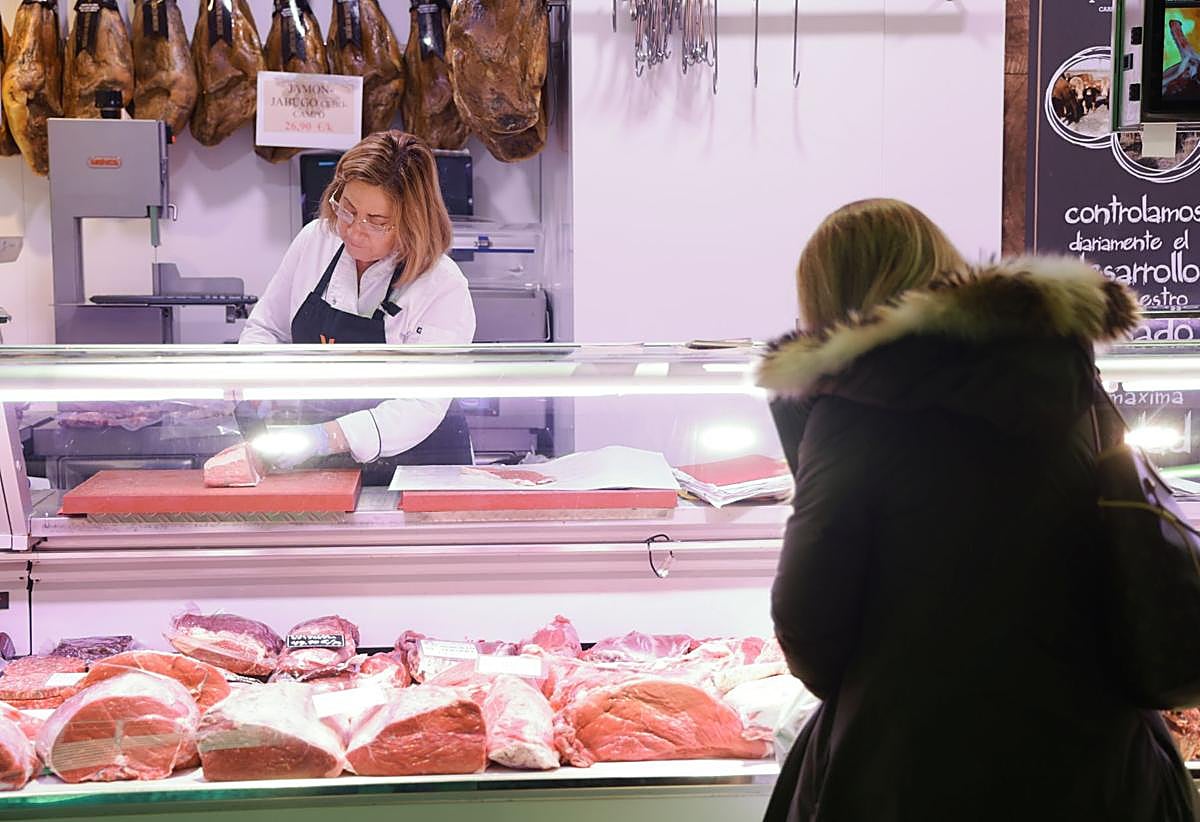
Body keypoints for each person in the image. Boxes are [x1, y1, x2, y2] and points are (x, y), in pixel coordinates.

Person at [756, 198, 1199, 822]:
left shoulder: (852, 414)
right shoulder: (1066, 375)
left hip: (913, 769)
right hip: (1096, 762)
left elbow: (808, 621)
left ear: (830, 304)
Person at [239, 131, 476, 482]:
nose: (354, 230)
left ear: (413, 221)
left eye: (376, 221)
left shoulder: (442, 284)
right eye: (347, 209)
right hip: (320, 462)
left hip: (418, 465)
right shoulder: (315, 240)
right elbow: (266, 329)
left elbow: (420, 405)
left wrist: (328, 436)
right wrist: (258, 385)